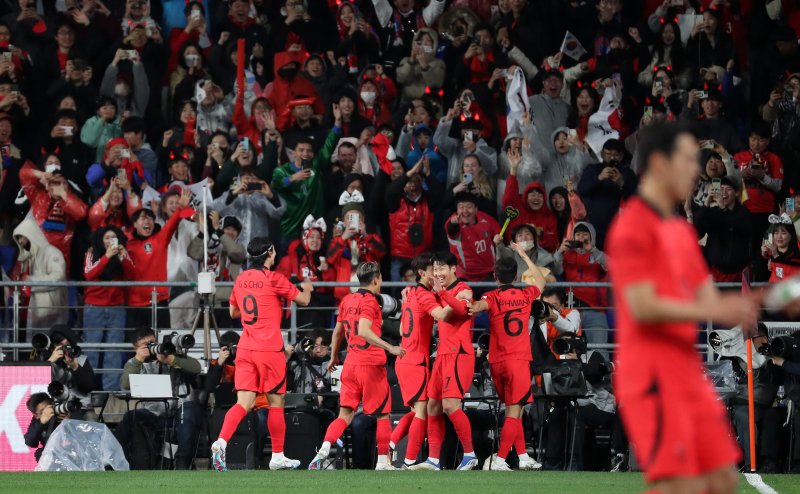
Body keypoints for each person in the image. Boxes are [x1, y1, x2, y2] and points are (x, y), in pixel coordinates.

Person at [606, 122, 758, 494]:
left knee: (722, 480)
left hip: (686, 370)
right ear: (660, 163)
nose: (696, 169)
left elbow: (705, 295)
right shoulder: (632, 227)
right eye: (688, 160)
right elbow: (642, 307)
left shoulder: (681, 230)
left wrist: (751, 302)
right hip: (651, 375)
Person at [210, 237, 314, 471]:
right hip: (269, 349)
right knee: (276, 402)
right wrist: (307, 287)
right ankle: (277, 456)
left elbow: (233, 311)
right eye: (274, 251)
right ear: (269, 252)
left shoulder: (242, 278)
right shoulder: (274, 278)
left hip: (246, 348)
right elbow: (304, 300)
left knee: (243, 403)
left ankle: (221, 442)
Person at [308, 261, 405, 471]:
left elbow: (337, 332)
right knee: (382, 415)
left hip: (351, 363)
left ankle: (324, 450)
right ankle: (382, 463)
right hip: (370, 364)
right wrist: (390, 348)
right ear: (376, 279)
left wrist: (334, 356)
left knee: (345, 415)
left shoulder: (347, 300)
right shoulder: (370, 302)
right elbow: (364, 331)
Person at [469, 243, 546, 471]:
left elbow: (478, 306)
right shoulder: (525, 294)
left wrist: (468, 301)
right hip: (518, 360)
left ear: (495, 276)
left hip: (497, 362)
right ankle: (500, 459)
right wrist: (525, 256)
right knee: (515, 409)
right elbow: (541, 280)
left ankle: (522, 456)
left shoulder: (491, 296)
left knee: (516, 408)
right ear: (516, 275)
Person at [414, 251, 478, 471]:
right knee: (433, 405)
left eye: (442, 268)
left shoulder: (464, 289)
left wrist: (443, 293)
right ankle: (433, 459)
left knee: (451, 405)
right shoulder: (439, 292)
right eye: (435, 269)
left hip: (459, 354)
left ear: (453, 269)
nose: (438, 272)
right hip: (442, 354)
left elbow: (460, 309)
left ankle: (469, 454)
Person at [391, 253, 454, 468]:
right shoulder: (424, 295)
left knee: (416, 410)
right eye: (432, 271)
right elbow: (442, 315)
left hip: (406, 358)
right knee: (422, 411)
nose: (435, 274)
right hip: (416, 360)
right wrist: (458, 300)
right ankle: (409, 461)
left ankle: (390, 443)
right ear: (421, 273)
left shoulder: (410, 294)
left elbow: (401, 329)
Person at [120, 327, 204, 470]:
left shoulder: (171, 354)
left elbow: (196, 367)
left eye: (153, 343)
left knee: (188, 413)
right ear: (136, 348)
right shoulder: (135, 363)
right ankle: (123, 462)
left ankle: (182, 463)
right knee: (130, 417)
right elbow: (126, 384)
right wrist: (139, 359)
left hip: (180, 408)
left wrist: (171, 359)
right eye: (146, 345)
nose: (152, 348)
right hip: (153, 413)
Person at [125, 190, 194, 331]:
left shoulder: (159, 240)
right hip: (135, 302)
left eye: (150, 218)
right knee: (136, 344)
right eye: (143, 218)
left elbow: (172, 224)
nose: (147, 221)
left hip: (159, 299)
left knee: (162, 342)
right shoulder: (126, 245)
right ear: (135, 224)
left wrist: (180, 208)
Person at [83, 225, 134, 391]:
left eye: (113, 237)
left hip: (116, 309)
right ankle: (88, 390)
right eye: (106, 237)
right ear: (100, 239)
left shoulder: (122, 253)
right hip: (94, 308)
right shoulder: (92, 252)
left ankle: (110, 392)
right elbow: (89, 274)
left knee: (114, 351)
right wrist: (106, 257)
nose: (110, 240)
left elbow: (131, 275)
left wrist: (123, 258)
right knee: (91, 350)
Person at [446, 193, 501, 282]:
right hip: (465, 278)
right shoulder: (453, 222)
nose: (465, 211)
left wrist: (498, 239)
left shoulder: (486, 219)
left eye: (469, 207)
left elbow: (498, 234)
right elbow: (451, 231)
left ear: (476, 209)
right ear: (457, 210)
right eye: (461, 207)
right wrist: (453, 224)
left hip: (489, 275)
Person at [24, 393, 62, 462]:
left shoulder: (63, 410)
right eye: (42, 411)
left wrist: (70, 420)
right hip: (52, 457)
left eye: (49, 407)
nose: (48, 412)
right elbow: (30, 442)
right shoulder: (37, 421)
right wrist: (41, 422)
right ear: (36, 415)